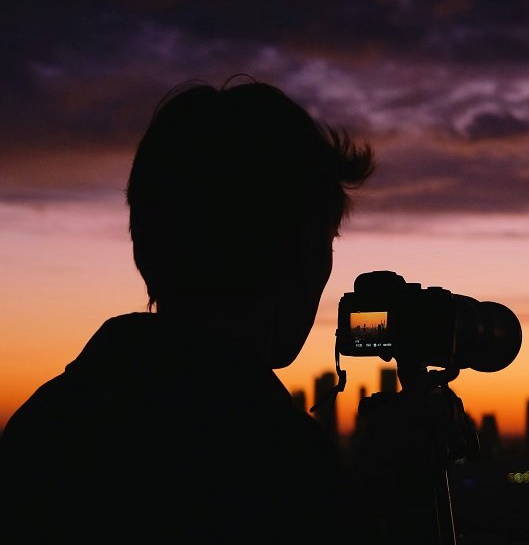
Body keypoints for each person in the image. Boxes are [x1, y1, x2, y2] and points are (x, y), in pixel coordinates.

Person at [0, 77, 375, 543]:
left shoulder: (47, 422)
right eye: (326, 241)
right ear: (300, 253)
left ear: (146, 252)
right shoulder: (267, 450)